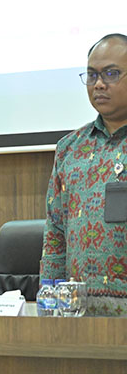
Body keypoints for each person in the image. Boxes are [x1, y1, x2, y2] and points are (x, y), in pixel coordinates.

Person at [41, 33, 127, 316]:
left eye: (111, 73)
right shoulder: (70, 149)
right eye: (92, 75)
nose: (99, 84)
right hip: (79, 315)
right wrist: (50, 303)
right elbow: (55, 232)